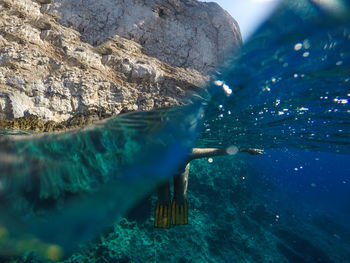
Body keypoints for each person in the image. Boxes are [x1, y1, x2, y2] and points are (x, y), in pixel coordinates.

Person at [154, 147, 263, 228]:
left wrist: (246, 149)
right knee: (164, 199)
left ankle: (184, 167)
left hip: (179, 167)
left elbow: (219, 151)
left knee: (180, 197)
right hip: (160, 172)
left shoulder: (188, 152)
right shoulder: (152, 152)